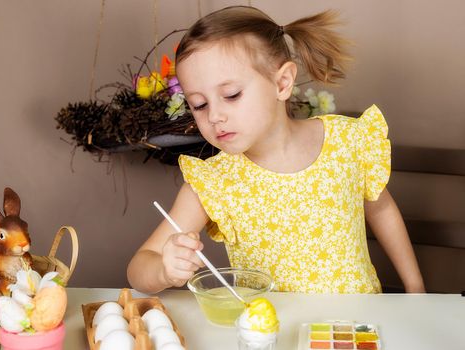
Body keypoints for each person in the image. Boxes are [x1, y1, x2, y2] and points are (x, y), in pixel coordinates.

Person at [127, 6, 425, 294]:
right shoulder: (214, 182)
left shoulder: (347, 142)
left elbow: (382, 209)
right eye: (199, 105)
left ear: (282, 82)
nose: (214, 116)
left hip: (353, 330)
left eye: (231, 95)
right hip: (269, 336)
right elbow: (139, 268)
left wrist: (415, 288)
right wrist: (163, 269)